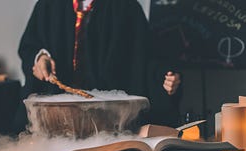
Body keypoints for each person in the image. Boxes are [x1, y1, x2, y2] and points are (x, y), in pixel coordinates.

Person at [14, 0, 181, 133]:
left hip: (109, 119)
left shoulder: (126, 7)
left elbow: (145, 57)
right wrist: (40, 58)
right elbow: (29, 46)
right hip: (57, 118)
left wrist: (162, 78)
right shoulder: (48, 5)